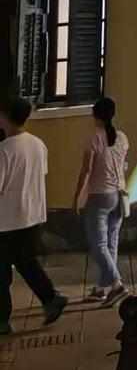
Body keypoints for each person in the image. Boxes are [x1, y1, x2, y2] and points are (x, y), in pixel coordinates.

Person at [0, 95, 68, 335]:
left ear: (5, 118)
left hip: (6, 221)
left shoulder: (4, 151)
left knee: (3, 272)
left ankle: (2, 319)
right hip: (31, 215)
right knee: (25, 261)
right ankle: (50, 298)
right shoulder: (38, 144)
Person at [73, 97, 129, 304]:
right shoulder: (122, 138)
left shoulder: (94, 139)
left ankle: (117, 285)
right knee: (111, 243)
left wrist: (76, 197)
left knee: (98, 245)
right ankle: (103, 288)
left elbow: (86, 171)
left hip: (100, 196)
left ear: (95, 115)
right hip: (119, 194)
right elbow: (122, 164)